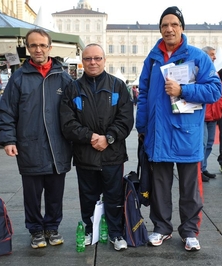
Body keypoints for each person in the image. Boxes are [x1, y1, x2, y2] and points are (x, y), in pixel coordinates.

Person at [136, 6, 221, 251]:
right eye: (164, 25)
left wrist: (183, 90)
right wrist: (142, 126)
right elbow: (143, 95)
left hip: (186, 133)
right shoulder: (152, 58)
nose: (169, 29)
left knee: (190, 188)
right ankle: (162, 228)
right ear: (160, 29)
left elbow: (214, 91)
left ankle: (190, 230)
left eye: (174, 24)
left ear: (182, 28)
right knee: (159, 186)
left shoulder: (198, 57)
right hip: (158, 134)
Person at [0, 29, 73, 249]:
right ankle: (35, 229)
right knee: (31, 194)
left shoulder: (63, 77)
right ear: (28, 49)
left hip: (58, 146)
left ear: (49, 47)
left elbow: (75, 112)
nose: (38, 49)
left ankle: (52, 227)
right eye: (33, 46)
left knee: (55, 193)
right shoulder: (19, 77)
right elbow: (7, 111)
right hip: (29, 146)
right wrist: (9, 140)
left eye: (42, 45)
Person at [60, 43, 134, 251]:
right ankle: (91, 229)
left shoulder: (118, 86)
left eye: (97, 58)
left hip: (113, 154)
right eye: (88, 59)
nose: (93, 62)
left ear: (104, 60)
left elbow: (126, 119)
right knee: (88, 196)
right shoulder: (72, 88)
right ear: (82, 61)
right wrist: (91, 136)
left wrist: (109, 137)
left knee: (114, 196)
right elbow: (67, 123)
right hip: (85, 154)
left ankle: (115, 232)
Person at [201, 46, 222, 182]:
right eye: (212, 54)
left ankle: (203, 168)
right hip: (204, 115)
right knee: (202, 144)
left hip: (214, 114)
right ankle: (198, 170)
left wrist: (220, 108)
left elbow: (221, 92)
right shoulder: (199, 70)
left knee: (209, 144)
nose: (215, 57)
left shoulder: (214, 72)